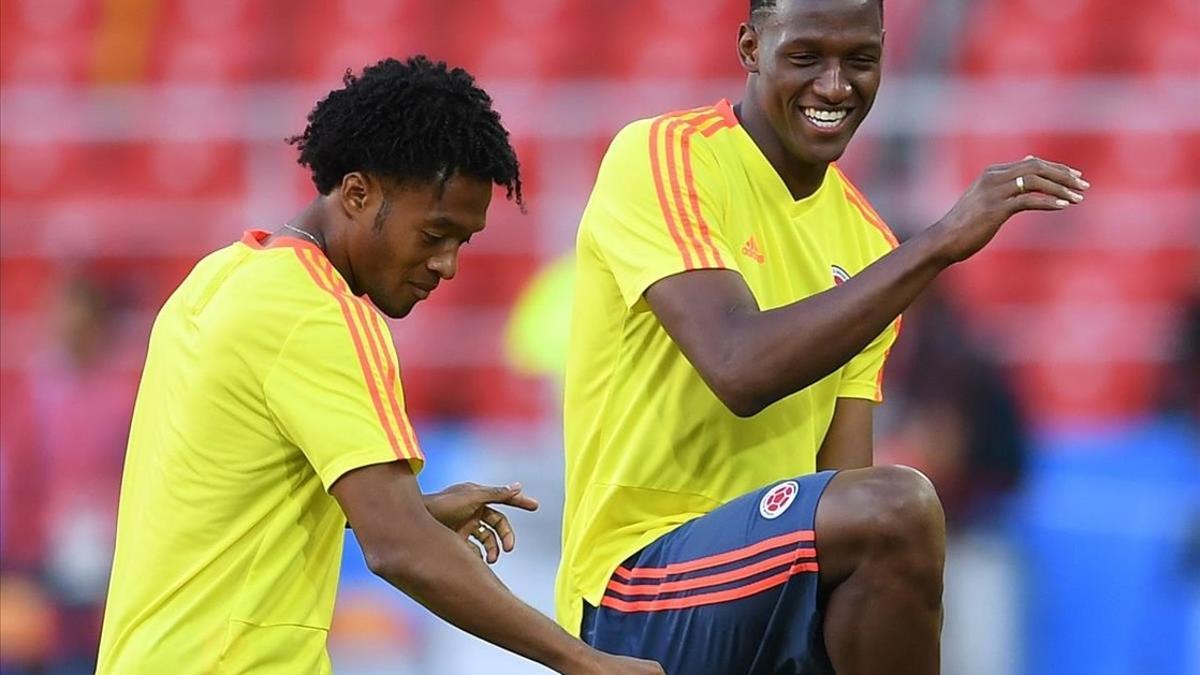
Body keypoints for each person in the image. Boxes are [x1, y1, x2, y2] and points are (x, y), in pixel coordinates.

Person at [555, 1, 1090, 673]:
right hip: (635, 585)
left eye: (860, 60)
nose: (835, 86)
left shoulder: (866, 242)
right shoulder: (664, 157)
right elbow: (737, 366)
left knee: (891, 516)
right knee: (899, 504)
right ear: (751, 48)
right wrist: (938, 245)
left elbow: (842, 481)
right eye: (806, 57)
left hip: (771, 581)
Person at [96, 56, 662, 675]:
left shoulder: (218, 277)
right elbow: (398, 551)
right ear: (358, 193)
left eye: (462, 243)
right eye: (434, 234)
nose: (447, 265)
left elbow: (229, 497)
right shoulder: (320, 313)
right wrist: (584, 661)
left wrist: (413, 509)